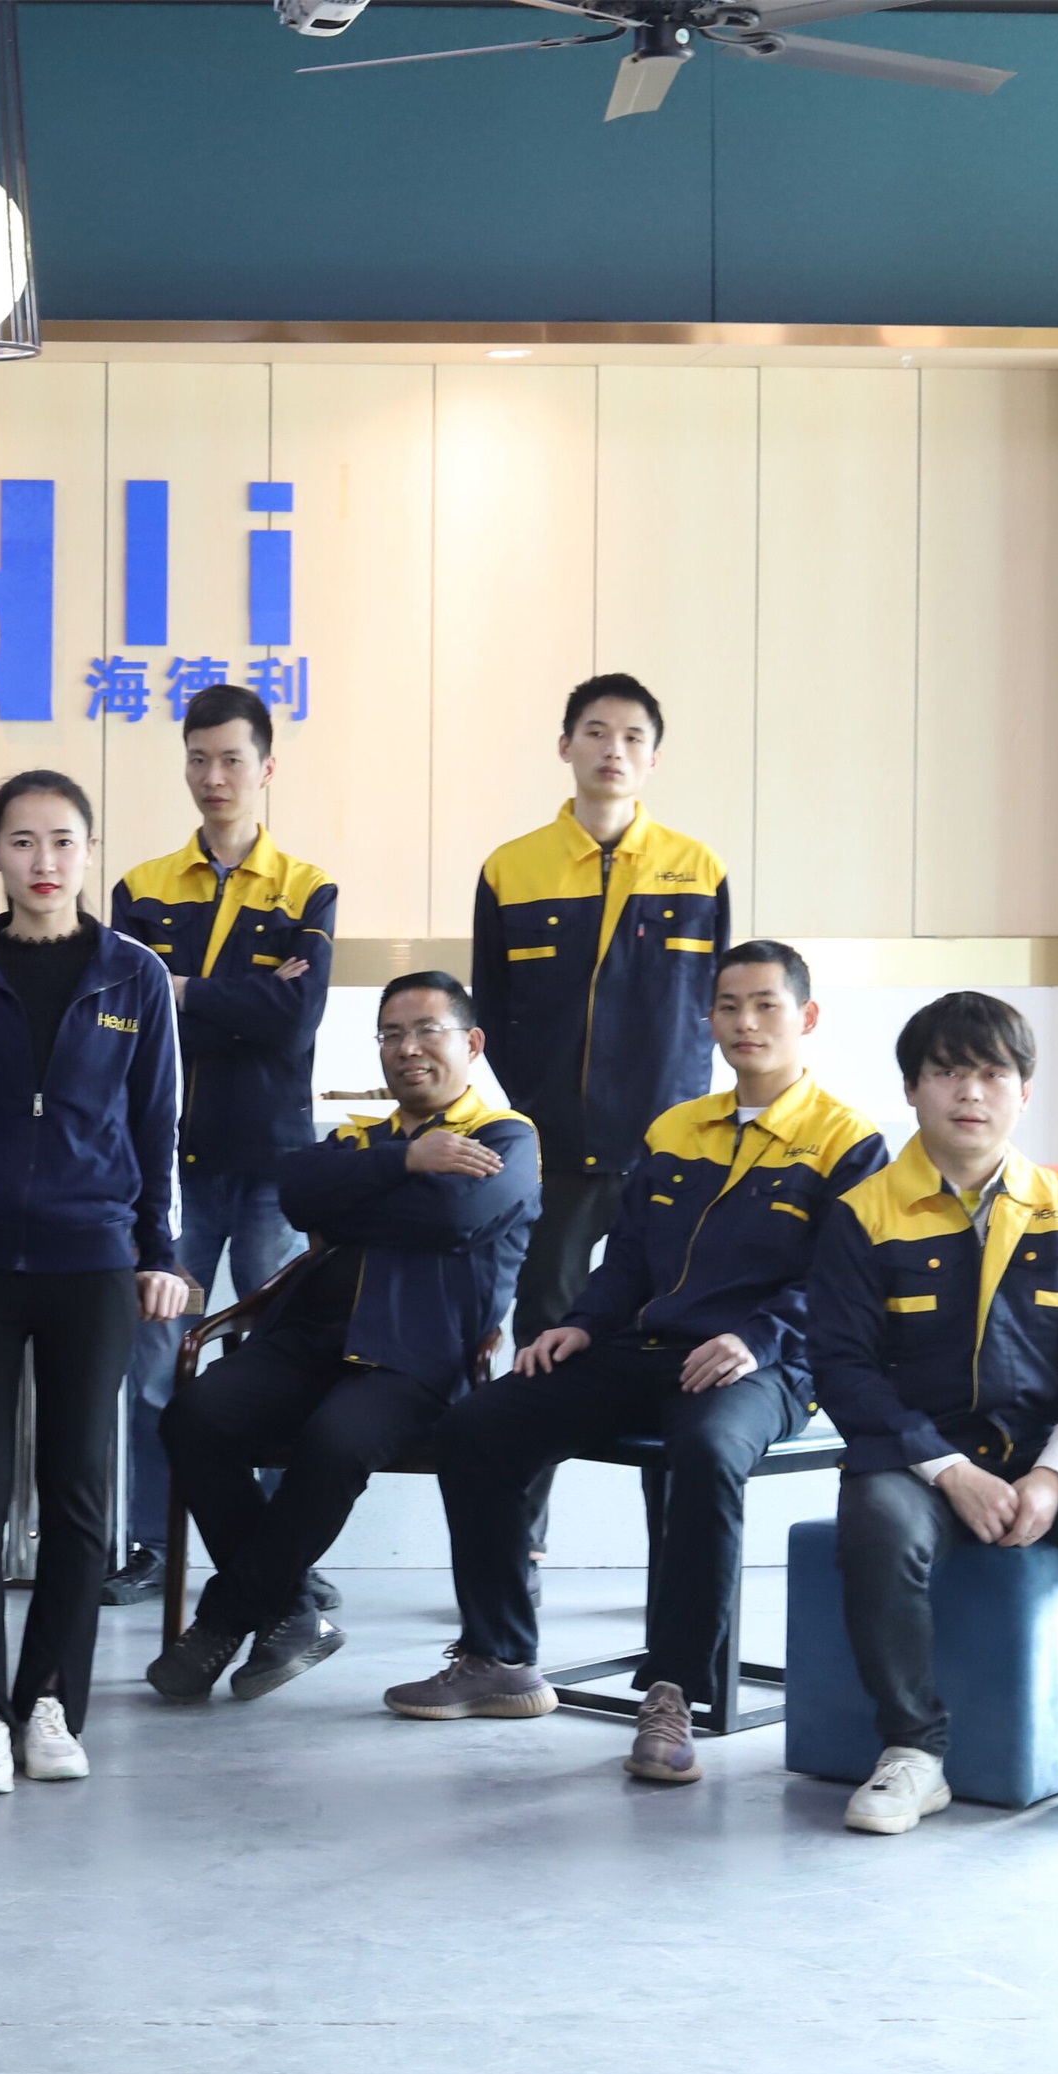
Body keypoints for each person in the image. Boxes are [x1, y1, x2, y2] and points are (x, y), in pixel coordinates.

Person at [397, 941, 887, 1779]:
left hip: (767, 1365)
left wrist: (756, 1338)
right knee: (478, 1425)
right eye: (728, 1006)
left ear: (806, 1018)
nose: (744, 1022)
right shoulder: (676, 1128)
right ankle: (497, 1657)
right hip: (645, 1349)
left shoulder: (848, 1141)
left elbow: (844, 1283)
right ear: (709, 1021)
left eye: (765, 1005)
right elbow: (626, 1258)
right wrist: (583, 1324)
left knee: (707, 1449)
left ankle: (673, 1691)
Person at [811, 993, 1058, 1837]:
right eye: (947, 1072)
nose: (971, 1092)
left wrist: (1052, 1475)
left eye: (993, 1073)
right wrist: (949, 1470)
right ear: (912, 1089)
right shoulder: (862, 1214)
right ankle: (913, 1751)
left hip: (1043, 1456)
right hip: (916, 1459)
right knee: (877, 1531)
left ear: (1024, 1092)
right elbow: (845, 1369)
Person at [0, 771, 187, 1795]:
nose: (44, 861)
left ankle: (51, 1700)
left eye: (62, 841)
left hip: (90, 1259)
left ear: (89, 853)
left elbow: (158, 1122)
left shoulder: (134, 975)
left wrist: (160, 1252)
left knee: (77, 1496)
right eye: (22, 842)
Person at [150, 973, 539, 1706]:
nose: (407, 1048)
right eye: (392, 1034)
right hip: (311, 1339)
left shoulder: (506, 1136)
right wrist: (405, 1162)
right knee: (194, 1416)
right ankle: (292, 1613)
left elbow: (452, 1219)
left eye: (426, 1030)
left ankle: (225, 1618)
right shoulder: (365, 1138)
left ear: (472, 1043)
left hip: (418, 1355)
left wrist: (352, 1204)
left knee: (334, 1441)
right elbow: (299, 1193)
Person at [472, 674, 730, 1570]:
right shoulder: (512, 868)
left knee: (675, 1340)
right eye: (594, 731)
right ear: (565, 746)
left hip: (671, 1159)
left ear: (652, 758)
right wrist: (544, 1111)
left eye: (631, 736)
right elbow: (494, 1010)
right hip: (555, 1154)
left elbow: (713, 1009)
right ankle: (521, 1546)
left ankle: (674, 1558)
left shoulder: (698, 869)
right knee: (544, 1338)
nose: (612, 749)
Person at [105, 682, 336, 1609]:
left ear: (266, 768)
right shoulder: (143, 888)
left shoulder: (306, 886)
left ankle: (285, 1556)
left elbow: (295, 1019)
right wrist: (244, 995)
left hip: (277, 1166)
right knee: (153, 1361)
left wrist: (186, 990)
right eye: (198, 759)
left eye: (232, 759)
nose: (214, 776)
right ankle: (149, 1545)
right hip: (170, 1166)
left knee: (286, 1362)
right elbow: (130, 1017)